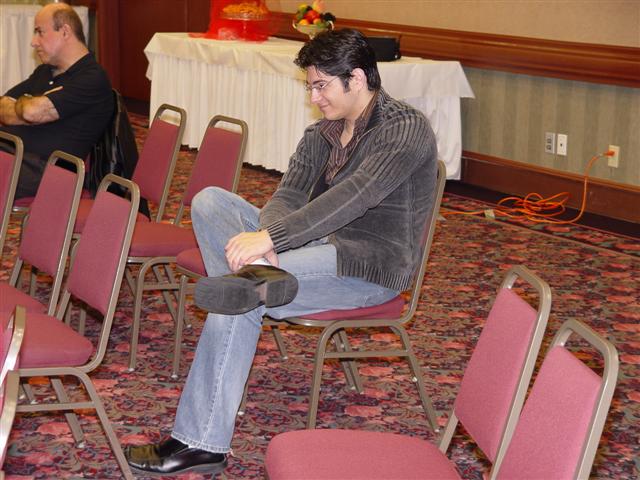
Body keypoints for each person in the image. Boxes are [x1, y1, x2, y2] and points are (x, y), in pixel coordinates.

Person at [125, 28, 438, 476]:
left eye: (321, 86)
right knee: (211, 202)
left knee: (240, 297)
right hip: (311, 248)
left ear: (356, 78)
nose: (314, 98)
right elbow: (289, 194)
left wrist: (272, 239)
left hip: (366, 264)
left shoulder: (404, 127)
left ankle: (200, 442)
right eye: (310, 87)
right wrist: (268, 236)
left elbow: (355, 195)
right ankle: (260, 278)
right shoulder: (322, 133)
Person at [0, 2, 113, 199]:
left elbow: (31, 112)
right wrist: (28, 107)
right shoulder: (45, 71)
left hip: (47, 171)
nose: (33, 42)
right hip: (14, 154)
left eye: (40, 32)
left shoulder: (92, 78)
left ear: (65, 32)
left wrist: (27, 109)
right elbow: (5, 106)